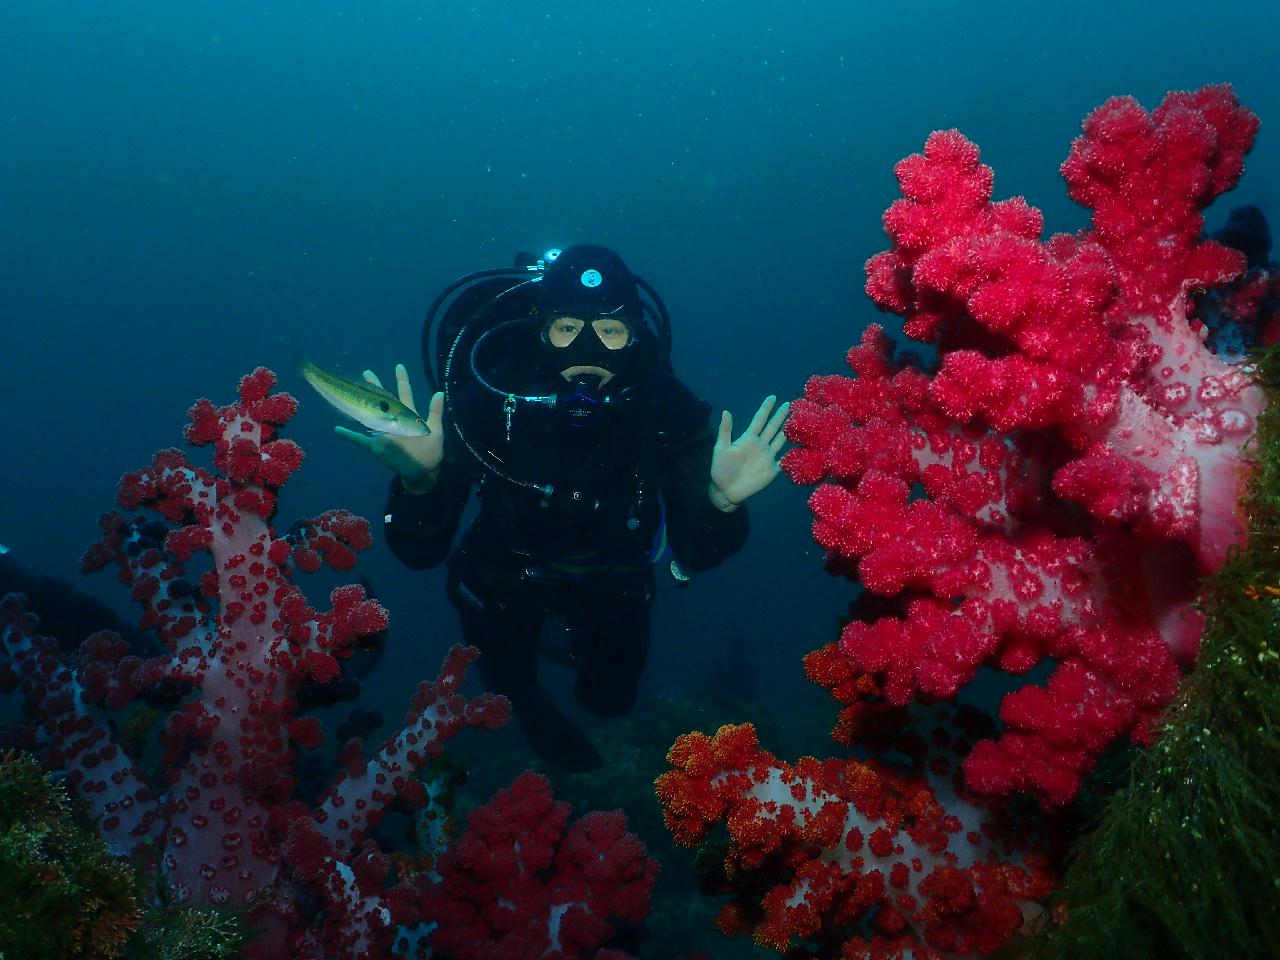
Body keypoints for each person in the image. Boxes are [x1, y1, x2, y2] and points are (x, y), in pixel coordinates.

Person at [341, 244, 787, 770]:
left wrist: (720, 503)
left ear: (635, 336)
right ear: (540, 330)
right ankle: (529, 698)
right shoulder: (491, 398)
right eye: (567, 328)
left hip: (613, 579)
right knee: (511, 689)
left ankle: (569, 655)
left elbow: (699, 550)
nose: (589, 349)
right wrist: (420, 484)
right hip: (504, 578)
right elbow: (418, 553)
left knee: (611, 701)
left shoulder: (661, 404)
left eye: (611, 330)